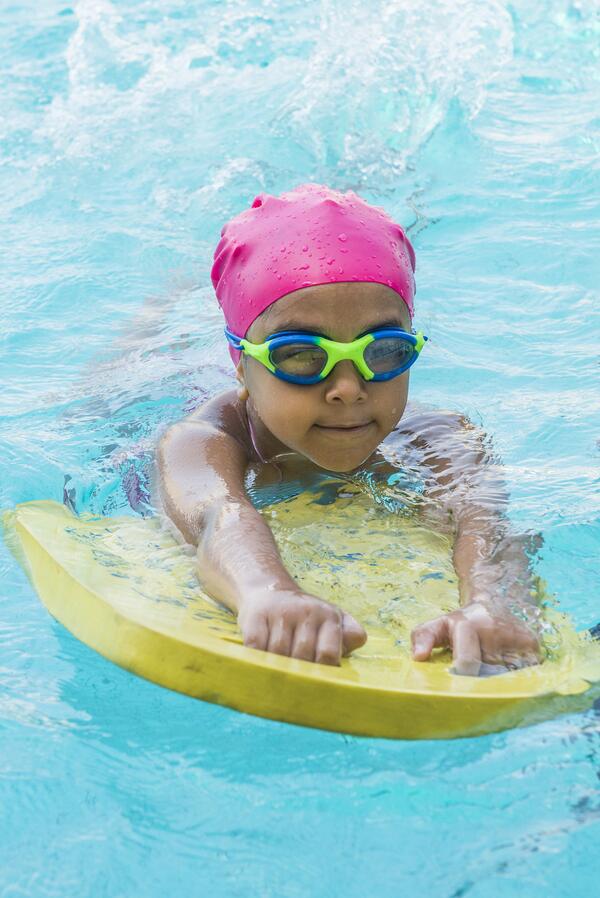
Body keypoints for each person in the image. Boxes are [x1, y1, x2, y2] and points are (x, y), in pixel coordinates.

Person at [157, 183, 542, 676]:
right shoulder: (198, 441)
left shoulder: (444, 438)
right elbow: (219, 515)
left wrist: (492, 603)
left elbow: (489, 531)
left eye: (384, 350)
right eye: (299, 354)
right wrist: (266, 591)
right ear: (241, 365)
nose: (348, 387)